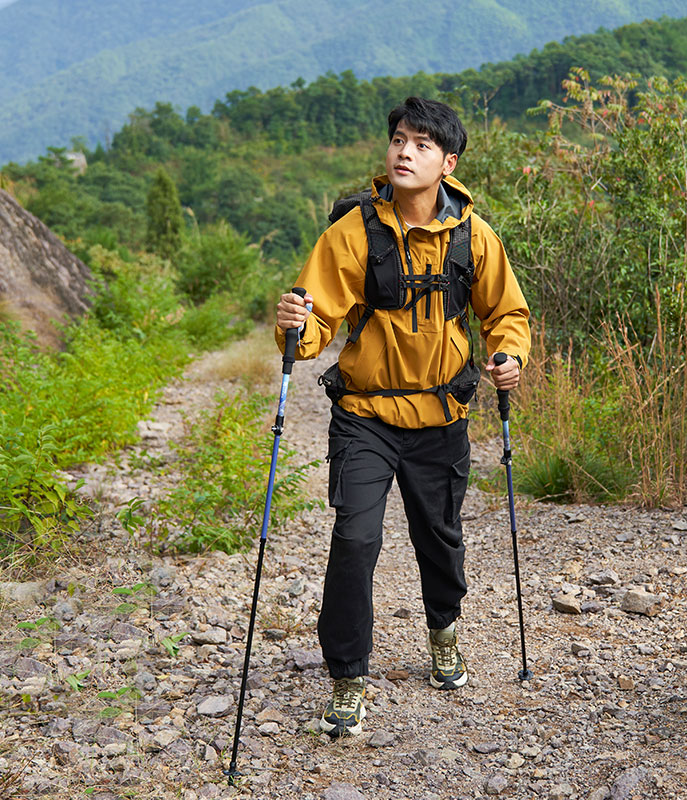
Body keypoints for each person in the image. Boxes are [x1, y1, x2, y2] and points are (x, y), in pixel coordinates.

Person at [276, 96, 531, 737]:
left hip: (442, 415)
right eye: (397, 139)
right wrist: (295, 333)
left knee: (439, 540)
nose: (403, 152)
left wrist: (507, 358)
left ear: (447, 162)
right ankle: (348, 679)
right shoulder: (353, 231)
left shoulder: (474, 236)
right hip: (364, 415)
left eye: (420, 144)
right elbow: (318, 318)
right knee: (354, 541)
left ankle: (443, 630)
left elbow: (507, 315)